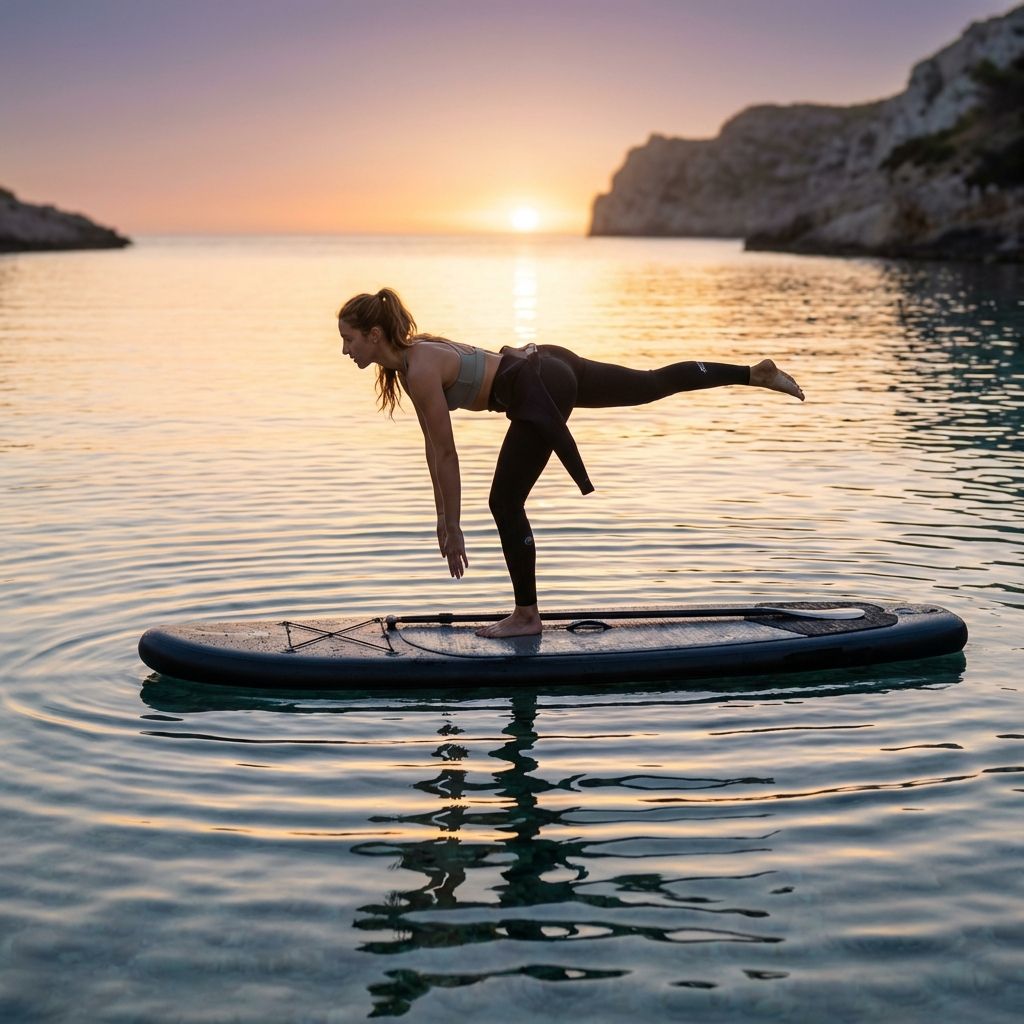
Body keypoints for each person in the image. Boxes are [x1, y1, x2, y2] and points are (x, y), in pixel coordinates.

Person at [338, 288, 804, 638]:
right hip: (548, 363)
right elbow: (431, 447)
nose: (345, 350)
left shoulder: (419, 369)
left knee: (504, 502)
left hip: (537, 388)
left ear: (374, 335)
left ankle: (526, 615)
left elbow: (446, 452)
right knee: (646, 384)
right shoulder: (415, 358)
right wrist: (443, 519)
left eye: (349, 339)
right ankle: (751, 374)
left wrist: (454, 524)